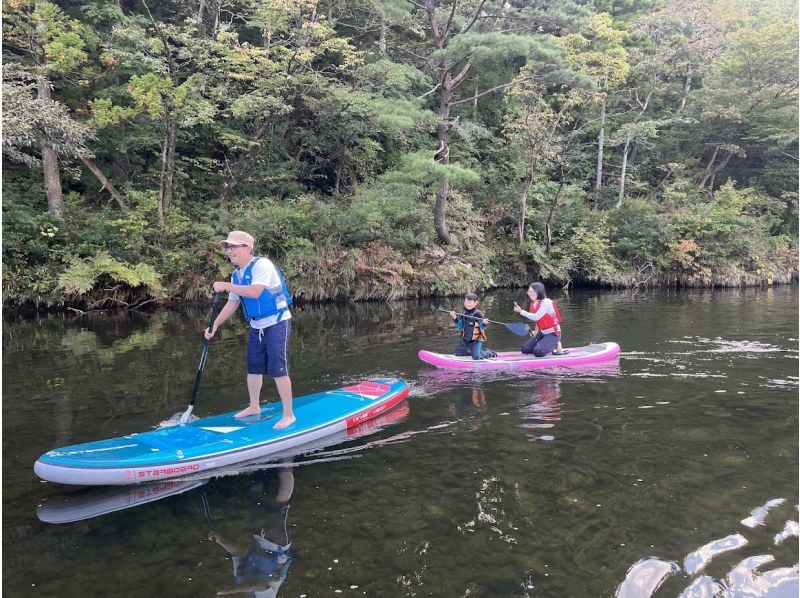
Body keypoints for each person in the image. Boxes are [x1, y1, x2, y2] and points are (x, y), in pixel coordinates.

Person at [204, 231, 295, 429]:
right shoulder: (237, 274)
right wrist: (215, 324)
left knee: (278, 369)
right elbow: (233, 303)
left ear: (247, 248)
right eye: (227, 247)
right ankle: (254, 406)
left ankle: (288, 414)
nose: (229, 251)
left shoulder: (262, 265)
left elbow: (255, 292)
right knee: (253, 367)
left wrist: (226, 285)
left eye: (233, 246)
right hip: (257, 325)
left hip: (277, 322)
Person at [513, 282, 567, 357]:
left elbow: (536, 316)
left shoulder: (546, 302)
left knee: (538, 352)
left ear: (539, 292)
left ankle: (557, 344)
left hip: (553, 333)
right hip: (542, 333)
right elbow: (538, 320)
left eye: (533, 292)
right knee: (525, 349)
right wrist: (535, 331)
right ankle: (547, 344)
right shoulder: (533, 303)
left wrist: (521, 311)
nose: (530, 294)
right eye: (529, 291)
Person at [449, 293, 497, 360]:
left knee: (476, 357)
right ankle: (473, 351)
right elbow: (460, 326)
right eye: (466, 302)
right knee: (458, 353)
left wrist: (484, 323)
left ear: (475, 303)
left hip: (476, 340)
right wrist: (454, 317)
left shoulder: (478, 314)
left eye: (469, 302)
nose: (467, 304)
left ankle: (489, 353)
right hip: (466, 339)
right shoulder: (464, 314)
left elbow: (482, 327)